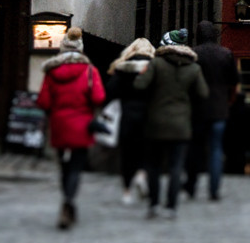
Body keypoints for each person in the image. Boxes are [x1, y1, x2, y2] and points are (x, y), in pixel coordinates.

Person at [34, 33, 106, 230]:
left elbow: (43, 101)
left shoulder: (52, 71)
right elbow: (98, 97)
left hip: (59, 124)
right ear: (80, 49)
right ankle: (68, 201)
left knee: (64, 167)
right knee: (75, 167)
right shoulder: (89, 70)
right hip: (82, 125)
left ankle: (66, 201)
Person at [134, 30, 206, 217]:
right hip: (181, 124)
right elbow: (203, 93)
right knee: (176, 167)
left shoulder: (156, 64)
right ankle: (171, 207)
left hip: (156, 122)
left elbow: (139, 85)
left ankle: (154, 204)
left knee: (154, 165)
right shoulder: (193, 68)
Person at [189, 21, 236, 202]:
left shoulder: (194, 54)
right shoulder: (226, 54)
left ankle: (192, 185)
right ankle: (214, 189)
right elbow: (233, 80)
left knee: (196, 148)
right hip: (219, 108)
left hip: (198, 109)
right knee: (216, 149)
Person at [107, 38, 157, 205]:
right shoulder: (155, 67)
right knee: (146, 150)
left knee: (127, 153)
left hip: (127, 114)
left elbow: (111, 91)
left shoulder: (123, 68)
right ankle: (142, 175)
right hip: (149, 115)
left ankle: (127, 191)